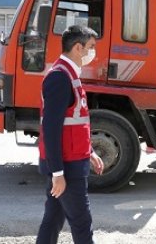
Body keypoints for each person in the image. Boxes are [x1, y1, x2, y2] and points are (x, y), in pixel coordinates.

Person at [36, 25, 105, 244]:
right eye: (91, 47)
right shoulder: (60, 77)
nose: (93, 53)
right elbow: (51, 128)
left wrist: (90, 152)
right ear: (78, 47)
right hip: (67, 167)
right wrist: (58, 173)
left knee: (53, 218)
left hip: (71, 162)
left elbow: (74, 123)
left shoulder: (68, 75)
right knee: (82, 224)